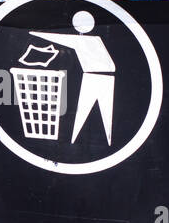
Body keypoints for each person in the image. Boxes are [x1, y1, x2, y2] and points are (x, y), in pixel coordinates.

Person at [30, 10, 115, 145]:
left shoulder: (87, 40)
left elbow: (62, 39)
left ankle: (103, 141)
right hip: (98, 77)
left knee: (96, 113)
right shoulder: (92, 40)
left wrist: (35, 33)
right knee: (86, 113)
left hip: (99, 78)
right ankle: (77, 140)